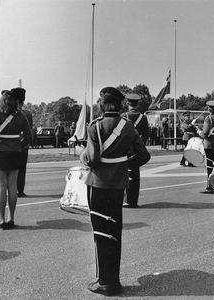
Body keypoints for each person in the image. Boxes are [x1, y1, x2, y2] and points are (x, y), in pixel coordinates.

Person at [76, 87, 150, 296]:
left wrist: (82, 153)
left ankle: (105, 282)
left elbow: (91, 159)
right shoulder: (127, 127)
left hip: (98, 185)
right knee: (114, 232)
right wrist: (124, 165)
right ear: (119, 105)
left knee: (100, 234)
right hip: (118, 185)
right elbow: (143, 156)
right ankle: (114, 281)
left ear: (103, 104)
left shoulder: (95, 127)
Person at [0, 90, 32, 229]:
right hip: (15, 152)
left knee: (1, 185)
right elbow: (29, 137)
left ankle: (1, 219)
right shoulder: (21, 116)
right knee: (12, 186)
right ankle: (11, 218)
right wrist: (18, 145)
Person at [121, 93, 149, 208]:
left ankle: (127, 200)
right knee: (135, 176)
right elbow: (146, 135)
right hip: (137, 149)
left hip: (126, 149)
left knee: (125, 175)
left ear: (128, 103)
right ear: (137, 104)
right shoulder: (143, 117)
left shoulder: (123, 116)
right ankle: (133, 200)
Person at [12, 88, 33, 197]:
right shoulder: (27, 114)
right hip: (23, 145)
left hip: (10, 145)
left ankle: (11, 189)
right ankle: (20, 189)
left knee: (10, 169)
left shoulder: (6, 113)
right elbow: (30, 132)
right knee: (22, 168)